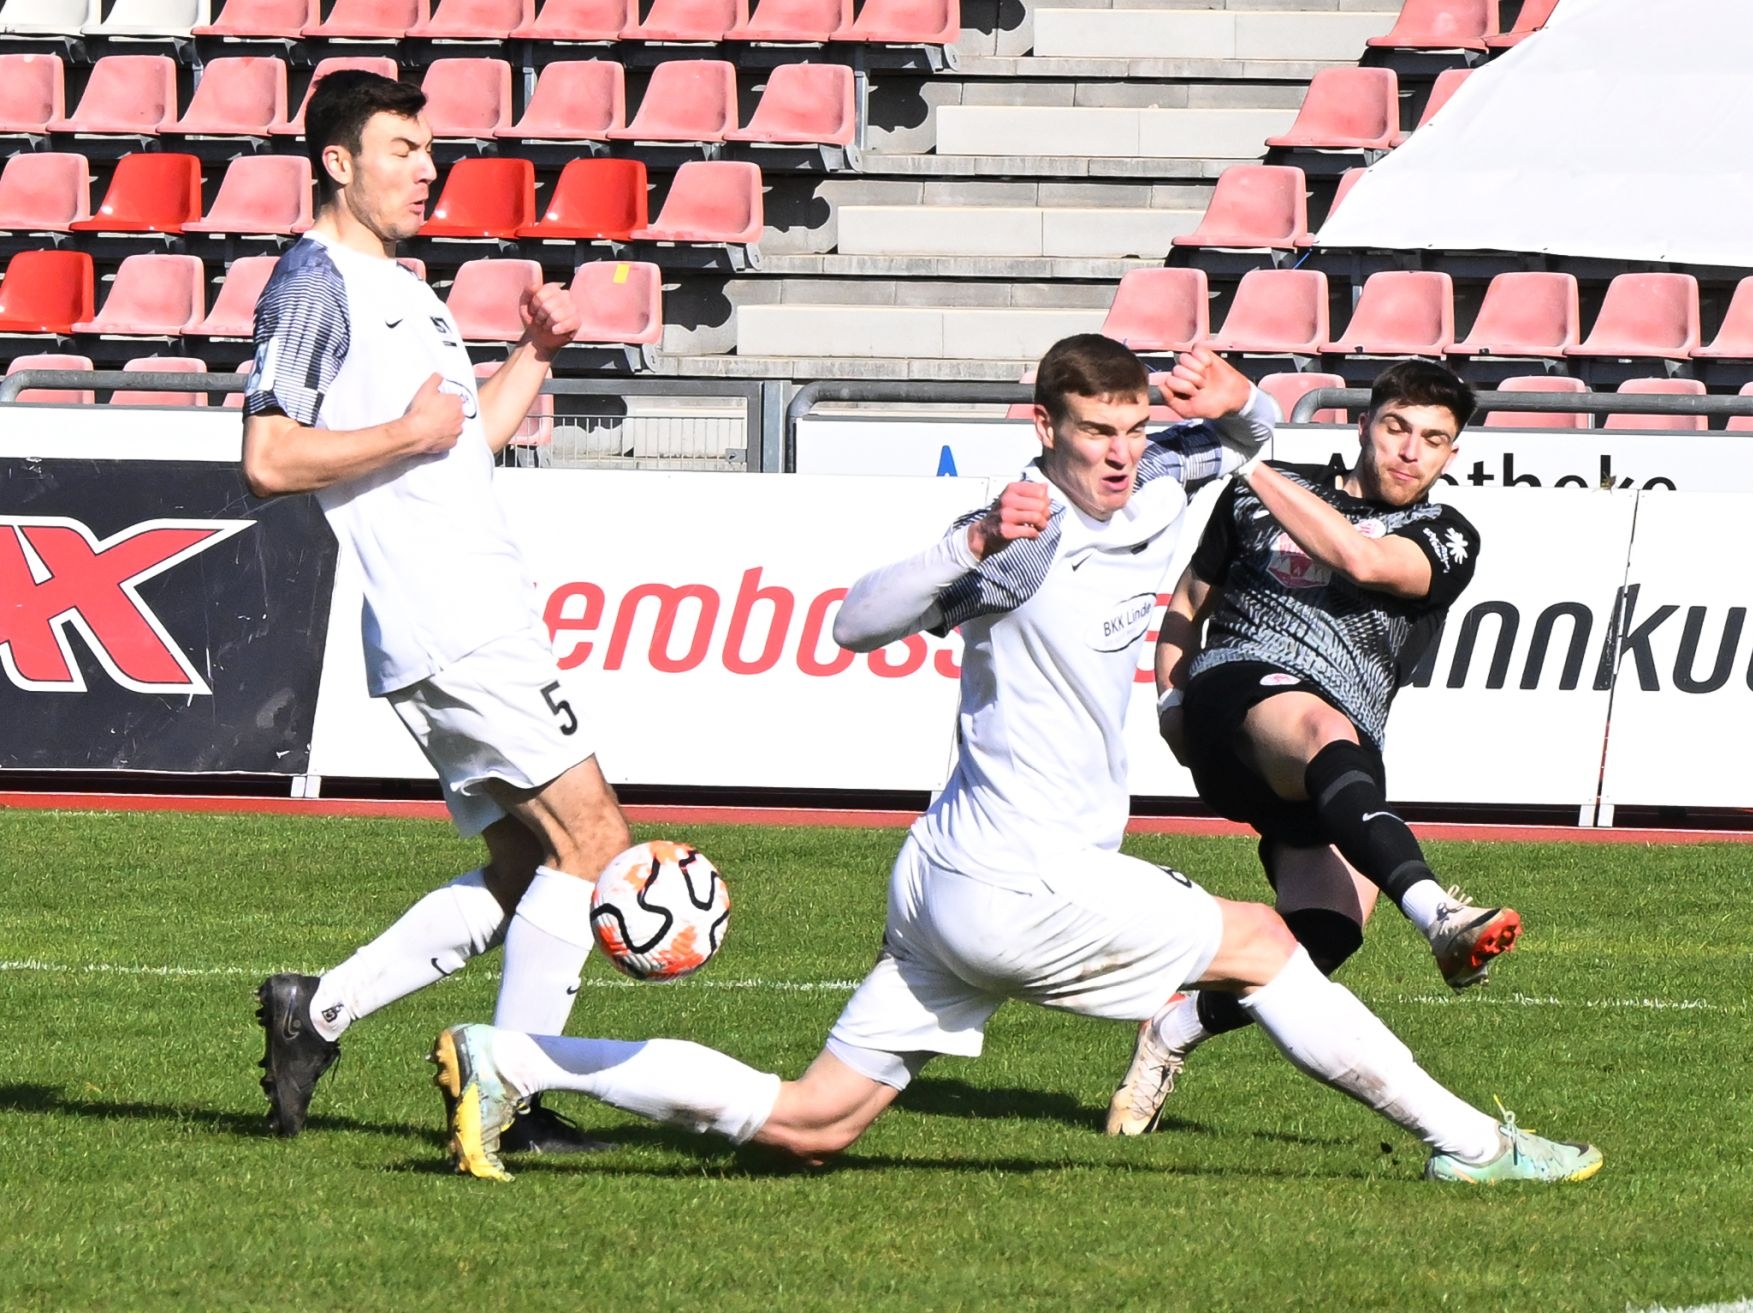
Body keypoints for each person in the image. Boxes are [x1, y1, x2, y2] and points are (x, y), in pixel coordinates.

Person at [428, 336, 1602, 1186]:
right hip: (1018, 876)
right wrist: (970, 537)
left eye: (1136, 431)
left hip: (947, 882)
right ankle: (1476, 1144)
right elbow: (853, 620)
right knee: (1267, 941)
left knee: (811, 1122)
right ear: (1043, 428)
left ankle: (515, 1055)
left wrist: (1246, 403)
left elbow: (1241, 446)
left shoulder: (1155, 484)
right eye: (1097, 433)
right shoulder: (1017, 541)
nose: (1120, 455)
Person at [242, 70, 630, 1152]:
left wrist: (535, 357)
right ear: (337, 162)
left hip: (463, 611)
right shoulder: (316, 283)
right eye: (404, 148)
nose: (428, 167)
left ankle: (316, 1011)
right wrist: (401, 438)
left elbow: (465, 438)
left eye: (428, 148)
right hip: (455, 620)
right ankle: (505, 1102)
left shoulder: (404, 285)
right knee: (595, 842)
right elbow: (269, 459)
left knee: (524, 867)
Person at [1105, 359, 1516, 1137]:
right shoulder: (1258, 493)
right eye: (1397, 427)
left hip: (1332, 758)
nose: (1409, 451)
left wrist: (1245, 455)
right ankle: (1438, 917)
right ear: (1366, 423)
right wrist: (1168, 697)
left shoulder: (1448, 535)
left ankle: (1173, 1029)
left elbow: (1363, 559)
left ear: (1451, 454)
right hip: (1239, 699)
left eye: (1433, 439)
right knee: (1323, 728)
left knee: (1324, 933)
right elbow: (1190, 605)